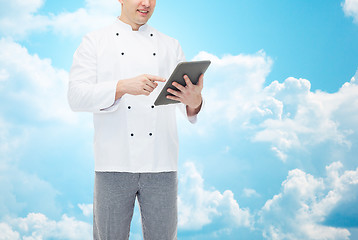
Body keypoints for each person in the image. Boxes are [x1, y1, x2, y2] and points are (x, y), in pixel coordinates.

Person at [68, 0, 204, 239]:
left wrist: (194, 101)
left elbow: (187, 108)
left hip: (161, 162)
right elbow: (76, 97)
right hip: (113, 162)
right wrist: (122, 87)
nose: (146, 3)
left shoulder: (170, 45)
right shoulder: (95, 41)